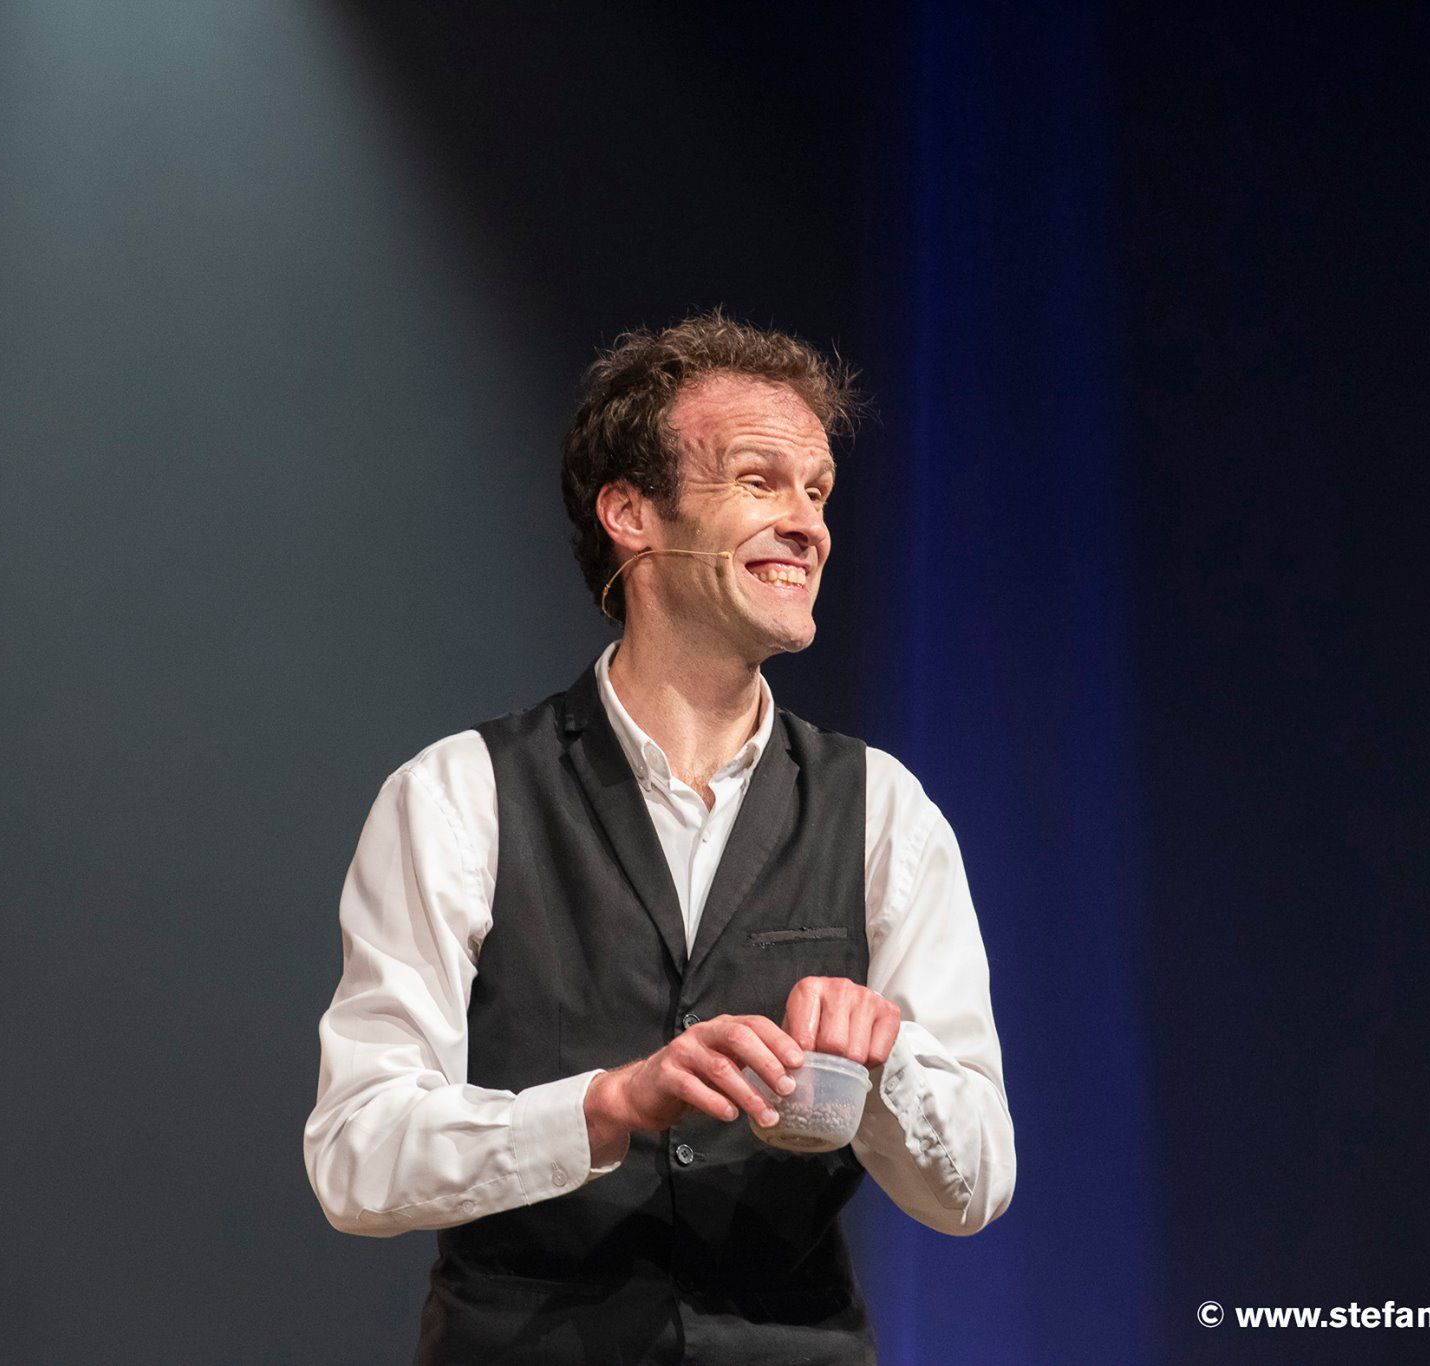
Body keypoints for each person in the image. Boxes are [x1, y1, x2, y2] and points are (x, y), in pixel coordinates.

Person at [303, 311, 1015, 1363]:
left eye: (818, 492)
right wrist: (605, 1105)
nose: (808, 525)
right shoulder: (457, 794)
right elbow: (357, 1155)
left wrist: (887, 1058)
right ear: (630, 512)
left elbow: (976, 1186)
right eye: (760, 480)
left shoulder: (883, 808)